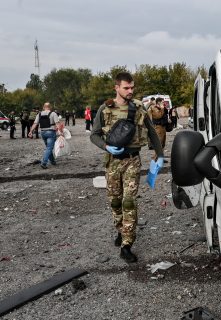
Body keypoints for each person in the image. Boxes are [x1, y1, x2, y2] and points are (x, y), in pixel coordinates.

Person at [90, 72, 164, 263]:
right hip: (112, 162)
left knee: (129, 201)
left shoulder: (139, 108)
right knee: (115, 201)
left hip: (133, 160)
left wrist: (160, 155)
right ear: (116, 88)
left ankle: (127, 244)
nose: (131, 91)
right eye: (126, 88)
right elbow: (94, 134)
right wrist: (106, 146)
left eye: (132, 87)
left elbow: (153, 133)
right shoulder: (104, 109)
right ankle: (121, 230)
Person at [28, 103, 62, 169]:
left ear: (43, 107)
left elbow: (35, 123)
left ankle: (52, 161)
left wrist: (30, 131)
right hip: (51, 132)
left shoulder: (39, 114)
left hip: (43, 132)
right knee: (49, 148)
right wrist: (60, 131)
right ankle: (44, 163)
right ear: (50, 107)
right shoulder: (53, 114)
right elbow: (57, 123)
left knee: (48, 148)